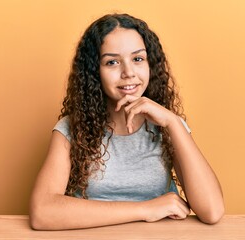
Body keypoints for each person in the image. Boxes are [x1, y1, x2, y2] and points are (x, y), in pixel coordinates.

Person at [29, 13, 224, 230]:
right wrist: (146, 209)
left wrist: (173, 122)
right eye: (112, 62)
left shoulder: (168, 125)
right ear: (95, 72)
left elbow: (212, 210)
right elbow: (43, 212)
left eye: (138, 59)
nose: (128, 73)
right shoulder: (70, 129)